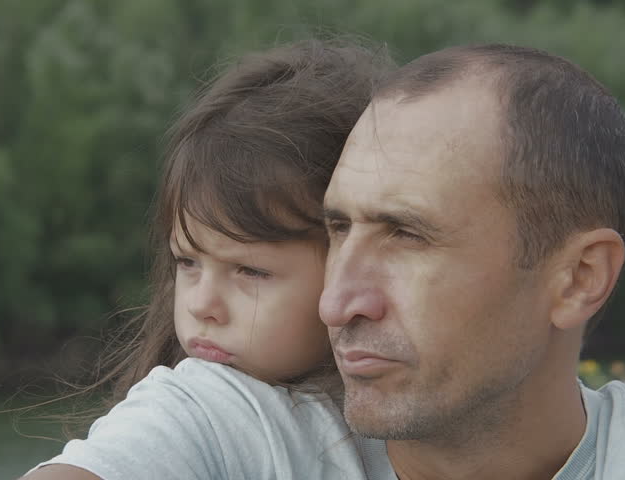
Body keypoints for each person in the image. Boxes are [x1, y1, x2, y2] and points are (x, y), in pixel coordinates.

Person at [319, 43, 625, 479]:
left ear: (579, 278)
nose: (333, 305)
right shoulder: (266, 448)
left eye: (407, 235)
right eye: (339, 228)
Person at [22, 38, 393, 480]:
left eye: (251, 271)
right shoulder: (201, 407)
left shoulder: (415, 410)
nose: (202, 305)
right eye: (187, 262)